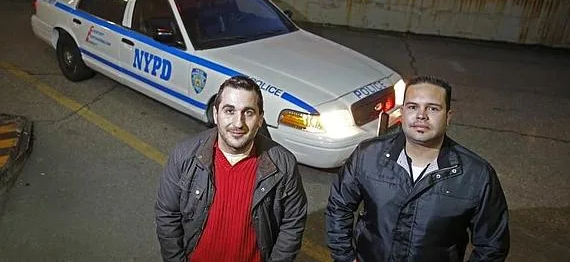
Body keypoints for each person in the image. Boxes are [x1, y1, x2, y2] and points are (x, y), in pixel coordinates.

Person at [325, 75, 509, 262]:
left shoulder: (476, 175)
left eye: (433, 108)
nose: (421, 115)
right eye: (413, 107)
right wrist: (345, 257)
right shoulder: (368, 155)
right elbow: (339, 207)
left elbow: (492, 246)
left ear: (448, 117)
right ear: (403, 112)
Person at [155, 75, 307, 262]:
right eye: (229, 111)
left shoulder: (284, 164)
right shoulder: (184, 155)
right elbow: (167, 215)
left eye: (248, 112)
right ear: (216, 114)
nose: (238, 123)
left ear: (260, 119)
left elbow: (292, 224)